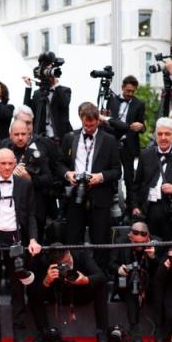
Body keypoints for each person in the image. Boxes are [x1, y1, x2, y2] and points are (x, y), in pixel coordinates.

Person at [0, 147, 42, 342]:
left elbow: (31, 215)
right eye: (2, 163)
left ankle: (19, 336)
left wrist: (32, 239)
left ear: (15, 163)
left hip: (16, 240)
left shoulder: (24, 184)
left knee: (17, 291)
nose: (6, 167)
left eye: (10, 163)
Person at [57, 101, 122, 272]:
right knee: (72, 238)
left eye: (92, 125)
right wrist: (68, 174)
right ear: (81, 119)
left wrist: (99, 177)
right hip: (75, 195)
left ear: (98, 121)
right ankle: (72, 273)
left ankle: (99, 277)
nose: (89, 128)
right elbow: (59, 164)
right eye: (86, 124)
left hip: (100, 196)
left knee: (100, 240)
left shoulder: (109, 140)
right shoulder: (70, 137)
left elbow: (117, 171)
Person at [29, 247, 110, 342]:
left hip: (80, 293)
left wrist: (85, 279)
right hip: (57, 297)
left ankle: (102, 331)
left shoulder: (81, 255)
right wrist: (46, 281)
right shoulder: (45, 262)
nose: (67, 266)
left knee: (101, 285)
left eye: (68, 261)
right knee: (32, 292)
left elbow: (102, 277)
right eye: (62, 265)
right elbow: (34, 291)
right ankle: (44, 332)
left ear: (69, 252)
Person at [131, 117, 172, 241]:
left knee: (168, 246)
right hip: (148, 210)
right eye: (160, 134)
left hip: (171, 211)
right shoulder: (146, 155)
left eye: (167, 134)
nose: (163, 137)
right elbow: (136, 184)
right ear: (155, 136)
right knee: (149, 247)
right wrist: (135, 206)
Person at [108, 221, 159, 342]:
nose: (139, 246)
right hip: (127, 283)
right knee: (131, 289)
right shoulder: (120, 242)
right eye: (135, 242)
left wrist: (152, 258)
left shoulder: (157, 243)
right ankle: (134, 327)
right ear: (130, 236)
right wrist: (118, 268)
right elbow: (110, 264)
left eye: (143, 242)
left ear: (148, 237)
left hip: (148, 284)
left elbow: (160, 270)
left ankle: (161, 327)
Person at [103, 75, 145, 202]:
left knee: (129, 178)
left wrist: (141, 127)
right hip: (112, 142)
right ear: (122, 88)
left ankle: (130, 208)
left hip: (129, 144)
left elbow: (142, 125)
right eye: (128, 91)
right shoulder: (112, 100)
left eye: (133, 91)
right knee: (112, 175)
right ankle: (113, 206)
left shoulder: (139, 104)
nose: (130, 94)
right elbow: (108, 120)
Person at [25, 70, 73, 142]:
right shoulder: (38, 93)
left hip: (60, 136)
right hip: (41, 135)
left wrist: (56, 84)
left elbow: (64, 104)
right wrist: (28, 88)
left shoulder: (64, 90)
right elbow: (27, 110)